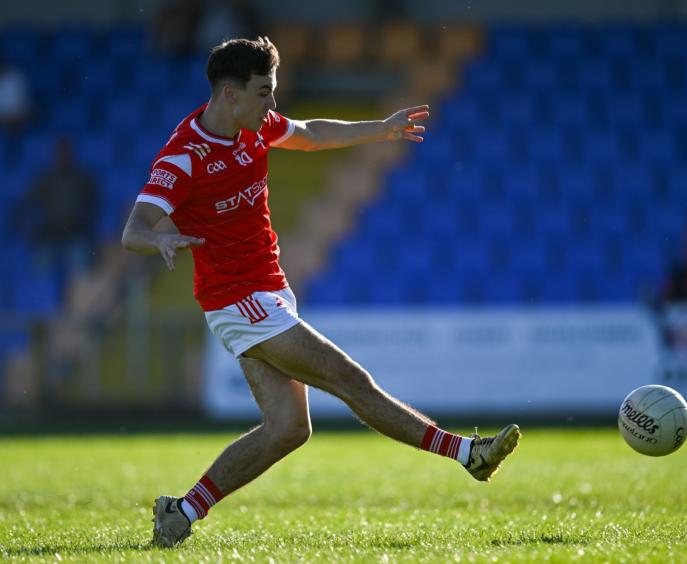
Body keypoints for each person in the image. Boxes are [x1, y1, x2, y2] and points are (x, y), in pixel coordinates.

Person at [121, 37, 521, 548]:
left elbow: (310, 134)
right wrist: (159, 238)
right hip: (237, 301)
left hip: (269, 289)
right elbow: (133, 229)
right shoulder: (184, 156)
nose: (272, 102)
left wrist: (382, 128)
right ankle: (467, 453)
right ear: (229, 94)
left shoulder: (255, 125)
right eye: (264, 92)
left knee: (289, 428)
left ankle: (181, 511)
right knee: (350, 379)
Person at [16, 136, 97, 289]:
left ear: (71, 155)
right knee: (38, 274)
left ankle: (80, 300)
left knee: (82, 272)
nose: (62, 157)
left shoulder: (81, 179)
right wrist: (30, 229)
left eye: (65, 153)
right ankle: (41, 300)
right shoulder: (46, 179)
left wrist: (85, 224)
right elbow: (25, 205)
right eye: (59, 153)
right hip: (49, 235)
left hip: (74, 234)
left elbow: (93, 207)